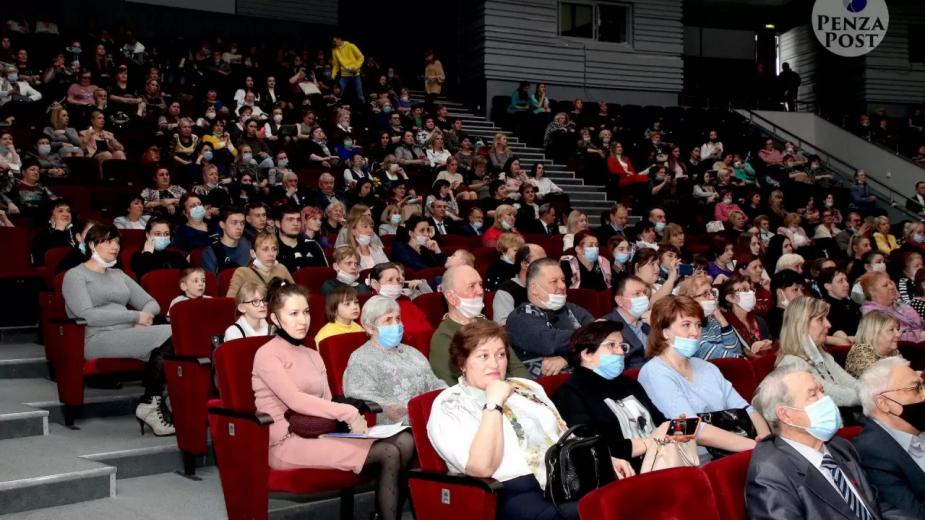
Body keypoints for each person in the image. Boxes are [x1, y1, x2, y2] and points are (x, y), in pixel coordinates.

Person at [252, 279, 414, 520]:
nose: (302, 320)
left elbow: (327, 400)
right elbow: (295, 400)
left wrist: (349, 423)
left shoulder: (311, 354)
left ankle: (383, 513)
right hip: (288, 441)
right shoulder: (266, 354)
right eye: (293, 313)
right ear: (275, 319)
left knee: (405, 440)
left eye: (306, 312)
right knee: (389, 452)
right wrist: (349, 414)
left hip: (320, 433)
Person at [428, 320, 589, 520]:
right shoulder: (449, 404)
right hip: (508, 492)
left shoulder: (526, 387)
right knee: (590, 512)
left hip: (565, 479)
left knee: (619, 499)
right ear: (462, 363)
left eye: (501, 355)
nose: (494, 364)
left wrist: (603, 457)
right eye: (483, 356)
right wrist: (493, 403)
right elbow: (481, 468)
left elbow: (562, 432)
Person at [747, 366, 903, 520]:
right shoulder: (771, 473)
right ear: (786, 415)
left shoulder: (840, 446)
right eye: (813, 395)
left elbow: (876, 506)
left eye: (822, 391)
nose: (826, 399)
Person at [62, 225, 174, 435]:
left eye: (117, 242)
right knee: (176, 332)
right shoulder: (75, 276)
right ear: (92, 245)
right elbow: (87, 314)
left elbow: (152, 303)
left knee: (174, 340)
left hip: (129, 334)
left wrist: (143, 318)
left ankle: (157, 401)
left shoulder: (118, 274)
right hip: (97, 338)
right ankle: (155, 401)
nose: (115, 247)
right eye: (108, 241)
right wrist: (134, 316)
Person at [639, 296, 770, 459]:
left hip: (738, 449)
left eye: (698, 325)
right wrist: (755, 447)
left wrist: (765, 441)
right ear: (665, 332)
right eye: (686, 325)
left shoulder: (707, 367)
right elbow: (687, 427)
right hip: (694, 459)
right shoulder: (653, 373)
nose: (695, 332)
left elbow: (747, 409)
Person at [553, 321, 692, 472]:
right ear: (587, 354)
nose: (620, 351)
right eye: (611, 345)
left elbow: (659, 421)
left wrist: (681, 430)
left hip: (663, 457)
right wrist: (649, 443)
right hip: (625, 471)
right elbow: (591, 448)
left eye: (622, 346)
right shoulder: (569, 394)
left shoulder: (627, 383)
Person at [343, 295, 446, 425]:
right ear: (370, 328)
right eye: (388, 320)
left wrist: (448, 395)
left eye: (398, 319)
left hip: (430, 416)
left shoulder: (412, 352)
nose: (396, 325)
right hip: (395, 425)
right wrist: (412, 414)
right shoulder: (361, 358)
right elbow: (364, 399)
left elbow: (433, 383)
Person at [431, 265, 530, 385]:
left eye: (480, 284)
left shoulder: (489, 325)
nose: (480, 291)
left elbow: (516, 367)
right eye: (472, 286)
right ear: (451, 297)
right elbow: (455, 387)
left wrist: (526, 392)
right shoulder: (443, 337)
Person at [854, 357, 925, 518]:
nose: (924, 395)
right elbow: (912, 515)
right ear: (883, 403)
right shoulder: (872, 453)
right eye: (916, 388)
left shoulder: (917, 429)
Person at [506, 258, 594, 377]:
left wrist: (566, 358)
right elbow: (551, 343)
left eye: (563, 280)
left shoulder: (571, 308)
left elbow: (602, 334)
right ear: (534, 288)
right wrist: (591, 336)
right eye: (554, 281)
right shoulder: (520, 317)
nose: (562, 285)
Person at [776, 297, 861, 407]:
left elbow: (852, 383)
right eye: (820, 319)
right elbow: (835, 395)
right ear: (801, 325)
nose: (828, 324)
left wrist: (874, 392)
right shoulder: (791, 364)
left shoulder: (824, 356)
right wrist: (873, 396)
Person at [677, 274, 743, 359]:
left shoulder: (713, 322)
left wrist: (720, 318)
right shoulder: (686, 330)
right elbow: (734, 360)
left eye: (711, 292)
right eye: (705, 294)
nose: (712, 297)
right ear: (689, 300)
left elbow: (737, 351)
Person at [225, 231, 294, 299]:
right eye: (265, 249)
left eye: (274, 249)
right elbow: (229, 302)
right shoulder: (242, 273)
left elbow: (296, 295)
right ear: (253, 253)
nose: (271, 254)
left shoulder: (281, 269)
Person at [602, 275, 651, 369]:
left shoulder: (648, 322)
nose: (644, 297)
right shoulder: (607, 326)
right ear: (619, 301)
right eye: (637, 294)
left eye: (644, 293)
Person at [860, 272, 925, 343]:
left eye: (890, 283)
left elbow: (921, 323)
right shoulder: (871, 313)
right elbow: (891, 337)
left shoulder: (899, 305)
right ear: (872, 292)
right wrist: (920, 335)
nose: (891, 287)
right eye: (885, 285)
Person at [494, 244, 546, 326]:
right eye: (540, 262)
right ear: (525, 264)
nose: (546, 267)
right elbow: (504, 326)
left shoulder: (548, 285)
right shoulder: (507, 290)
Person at [845, 311, 902, 378]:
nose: (898, 334)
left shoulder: (893, 351)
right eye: (891, 330)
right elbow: (881, 380)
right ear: (873, 333)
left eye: (898, 329)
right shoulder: (860, 351)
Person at [275, 205, 327, 271]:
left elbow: (326, 273)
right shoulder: (271, 247)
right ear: (278, 223)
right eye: (290, 219)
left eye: (298, 220)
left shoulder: (312, 245)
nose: (296, 223)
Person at [202, 206, 251, 275]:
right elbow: (211, 282)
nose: (239, 227)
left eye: (242, 223)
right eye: (234, 223)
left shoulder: (249, 245)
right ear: (222, 225)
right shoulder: (211, 252)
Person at [331, 36, 365, 106]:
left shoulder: (351, 46)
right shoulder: (334, 50)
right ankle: (339, 109)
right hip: (344, 75)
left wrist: (355, 67)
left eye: (334, 41)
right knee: (340, 93)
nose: (334, 43)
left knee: (359, 94)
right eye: (333, 42)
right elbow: (336, 65)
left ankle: (363, 108)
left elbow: (361, 57)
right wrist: (333, 75)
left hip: (355, 74)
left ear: (339, 39)